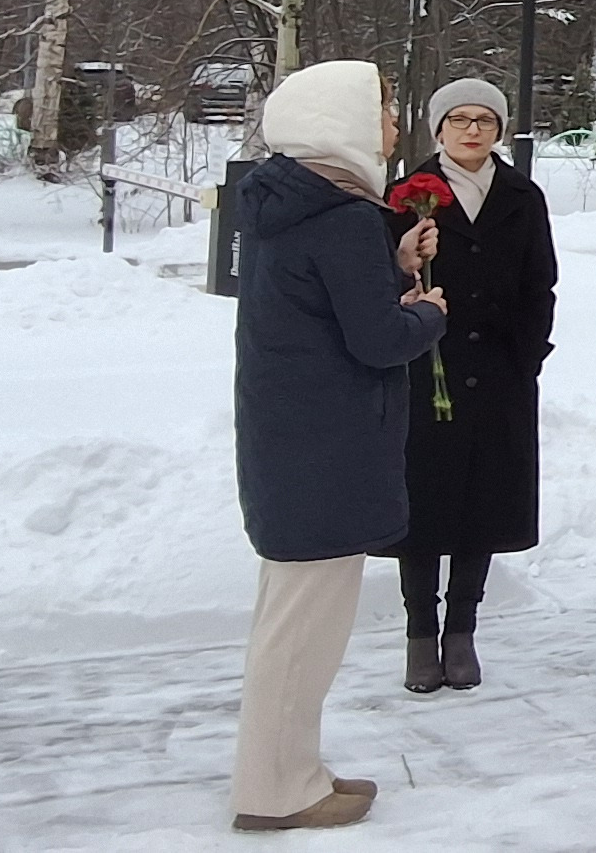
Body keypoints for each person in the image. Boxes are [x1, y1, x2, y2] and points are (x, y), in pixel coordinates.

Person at [228, 59, 446, 832]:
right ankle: (275, 792)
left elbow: (320, 301)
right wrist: (428, 313)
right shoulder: (343, 216)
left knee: (290, 625)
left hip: (292, 443)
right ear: (341, 122)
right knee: (302, 638)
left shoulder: (289, 204)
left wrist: (390, 267)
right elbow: (379, 340)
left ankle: (290, 771)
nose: (393, 126)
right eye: (383, 110)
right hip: (326, 451)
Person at [387, 78, 556, 696]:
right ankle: (419, 633)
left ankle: (461, 630)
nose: (472, 130)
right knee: (424, 503)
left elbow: (540, 282)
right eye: (459, 119)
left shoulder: (522, 195)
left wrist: (528, 354)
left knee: (481, 504)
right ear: (439, 129)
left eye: (485, 120)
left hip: (500, 373)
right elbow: (383, 274)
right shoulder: (407, 194)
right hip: (427, 368)